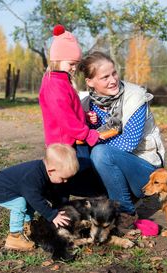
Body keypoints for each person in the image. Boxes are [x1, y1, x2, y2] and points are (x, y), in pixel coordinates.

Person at [79, 51, 166, 229]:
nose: (113, 80)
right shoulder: (86, 104)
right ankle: (104, 198)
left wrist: (92, 137)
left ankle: (126, 211)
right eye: (105, 77)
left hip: (144, 169)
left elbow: (129, 143)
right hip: (112, 165)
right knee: (71, 158)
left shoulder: (135, 97)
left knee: (100, 152)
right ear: (90, 82)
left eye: (114, 73)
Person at [38, 25, 107, 200]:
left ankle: (64, 207)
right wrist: (88, 134)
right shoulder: (55, 85)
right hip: (64, 144)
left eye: (76, 64)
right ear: (58, 60)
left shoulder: (61, 81)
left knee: (70, 177)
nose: (74, 68)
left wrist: (84, 117)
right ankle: (58, 213)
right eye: (71, 64)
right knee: (66, 179)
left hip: (71, 138)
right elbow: (65, 120)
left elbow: (69, 111)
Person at [0, 143, 79, 251]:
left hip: (18, 188)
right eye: (63, 178)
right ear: (51, 171)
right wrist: (52, 215)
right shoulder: (33, 176)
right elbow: (35, 198)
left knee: (29, 200)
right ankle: (15, 236)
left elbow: (56, 193)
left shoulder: (49, 174)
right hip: (0, 189)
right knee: (21, 203)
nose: (65, 181)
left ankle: (27, 226)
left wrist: (60, 206)